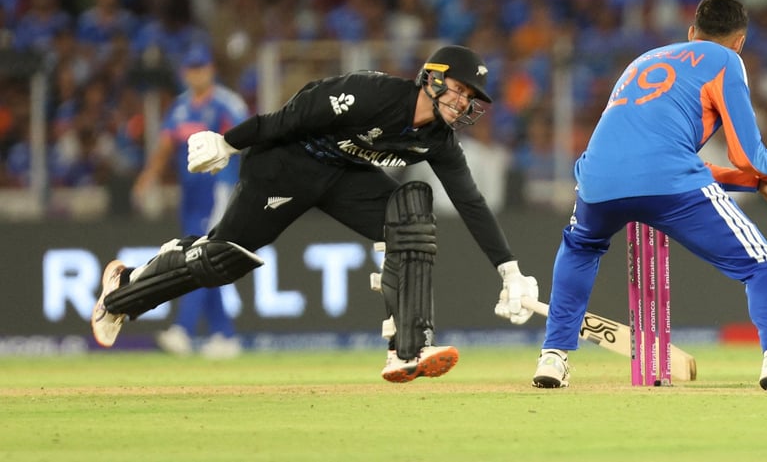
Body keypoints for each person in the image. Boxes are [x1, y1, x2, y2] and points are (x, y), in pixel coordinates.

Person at [93, 44, 539, 383]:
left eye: (470, 98)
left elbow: (470, 201)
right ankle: (124, 291)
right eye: (460, 90)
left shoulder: (439, 140)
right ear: (432, 79)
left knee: (411, 211)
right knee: (222, 259)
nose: (463, 103)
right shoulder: (371, 94)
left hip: (342, 175)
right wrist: (229, 143)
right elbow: (289, 118)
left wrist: (509, 271)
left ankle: (407, 347)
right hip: (285, 164)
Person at [531, 0, 767, 391]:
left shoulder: (643, 60)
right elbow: (745, 153)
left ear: (691, 33)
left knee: (581, 247)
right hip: (668, 183)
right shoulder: (726, 60)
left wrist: (751, 182)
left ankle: (553, 358)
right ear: (740, 41)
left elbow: (653, 153)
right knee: (762, 265)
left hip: (596, 178)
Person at [132, 42, 250, 359]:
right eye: (192, 69)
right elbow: (165, 146)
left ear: (210, 70)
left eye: (202, 68)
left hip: (219, 189)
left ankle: (183, 330)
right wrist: (148, 177)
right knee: (201, 257)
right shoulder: (180, 108)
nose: (197, 75)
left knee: (198, 255)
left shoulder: (227, 104)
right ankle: (224, 334)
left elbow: (247, 140)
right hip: (191, 194)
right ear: (186, 73)